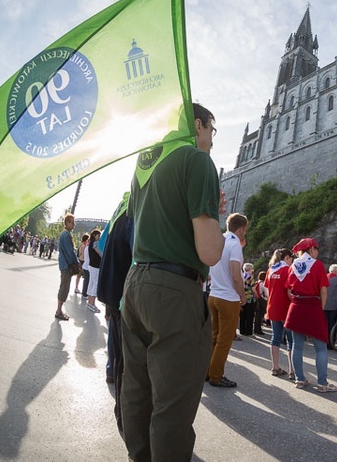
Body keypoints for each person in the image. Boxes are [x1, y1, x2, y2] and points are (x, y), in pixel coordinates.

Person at [120, 103, 225, 462]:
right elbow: (210, 252)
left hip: (136, 283)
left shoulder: (146, 164)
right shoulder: (196, 161)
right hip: (175, 290)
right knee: (173, 405)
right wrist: (216, 219)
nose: (212, 139)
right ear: (198, 125)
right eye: (211, 129)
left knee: (136, 389)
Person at [96, 195, 133, 431]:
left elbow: (100, 247)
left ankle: (110, 371)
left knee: (116, 344)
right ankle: (125, 416)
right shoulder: (139, 204)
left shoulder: (121, 205)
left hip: (110, 286)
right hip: (124, 290)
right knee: (128, 355)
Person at [285, 237, 337, 392]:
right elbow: (323, 291)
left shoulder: (293, 265)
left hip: (296, 306)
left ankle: (299, 379)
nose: (318, 252)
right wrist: (320, 308)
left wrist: (296, 300)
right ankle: (322, 383)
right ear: (312, 249)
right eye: (317, 249)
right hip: (313, 305)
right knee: (320, 347)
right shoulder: (317, 265)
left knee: (297, 345)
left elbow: (289, 290)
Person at [207, 213, 249, 387]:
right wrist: (242, 295)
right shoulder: (234, 245)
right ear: (241, 228)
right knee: (224, 340)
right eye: (245, 229)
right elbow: (236, 276)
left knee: (213, 337)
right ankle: (216, 376)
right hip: (228, 298)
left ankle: (207, 372)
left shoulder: (219, 240)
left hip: (213, 295)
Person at [265, 248, 294, 378]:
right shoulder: (288, 270)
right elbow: (291, 290)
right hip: (286, 308)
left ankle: (275, 367)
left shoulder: (270, 270)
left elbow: (266, 290)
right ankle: (293, 370)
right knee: (291, 340)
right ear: (287, 258)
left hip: (272, 307)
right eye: (291, 258)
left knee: (275, 338)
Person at [55, 213, 78, 321]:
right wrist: (77, 263)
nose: (74, 225)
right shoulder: (66, 235)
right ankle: (59, 311)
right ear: (67, 223)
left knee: (64, 286)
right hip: (66, 265)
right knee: (64, 287)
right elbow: (70, 252)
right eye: (72, 223)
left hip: (64, 264)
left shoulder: (65, 234)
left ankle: (59, 310)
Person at [86, 229, 102, 313]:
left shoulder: (90, 243)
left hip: (92, 265)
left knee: (91, 283)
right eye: (98, 235)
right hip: (96, 266)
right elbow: (99, 253)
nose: (99, 237)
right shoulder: (94, 243)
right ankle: (92, 303)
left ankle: (89, 302)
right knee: (95, 283)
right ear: (95, 235)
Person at [238, 262, 256, 336]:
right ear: (250, 269)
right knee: (250, 315)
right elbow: (253, 288)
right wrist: (256, 295)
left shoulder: (241, 276)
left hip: (242, 297)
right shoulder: (250, 277)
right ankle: (248, 331)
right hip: (250, 298)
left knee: (243, 315)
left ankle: (242, 330)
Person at [253, 271, 268, 335]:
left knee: (257, 315)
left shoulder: (257, 282)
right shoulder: (263, 284)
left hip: (257, 299)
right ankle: (258, 329)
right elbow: (267, 294)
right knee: (260, 315)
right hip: (262, 300)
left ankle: (256, 328)